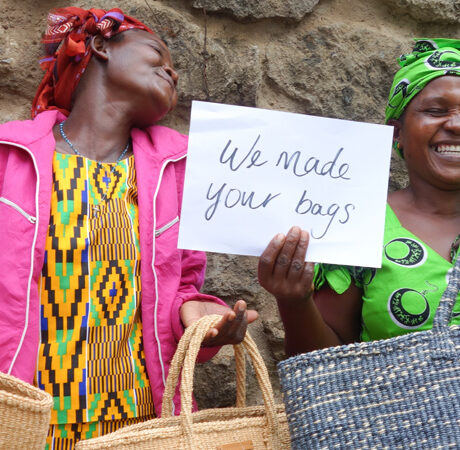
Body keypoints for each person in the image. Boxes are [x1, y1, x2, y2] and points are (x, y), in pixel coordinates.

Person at [0, 7, 257, 447]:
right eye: (158, 54)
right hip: (25, 421)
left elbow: (182, 287)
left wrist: (194, 318)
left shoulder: (176, 172)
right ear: (99, 46)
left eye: (173, 68)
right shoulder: (11, 157)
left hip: (140, 424)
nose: (172, 72)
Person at [258, 38, 460, 357]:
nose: (456, 124)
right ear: (397, 133)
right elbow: (323, 365)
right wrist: (295, 302)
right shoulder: (359, 223)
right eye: (436, 111)